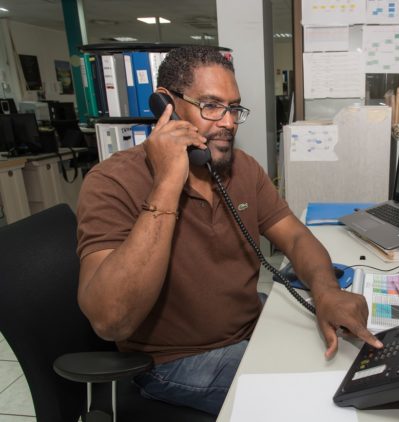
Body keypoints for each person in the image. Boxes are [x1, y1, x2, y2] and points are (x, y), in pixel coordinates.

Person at [76, 46, 382, 415]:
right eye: (211, 106)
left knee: (354, 359)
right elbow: (110, 320)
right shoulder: (112, 181)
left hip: (250, 326)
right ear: (164, 106)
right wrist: (168, 182)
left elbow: (296, 237)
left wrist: (327, 291)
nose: (228, 122)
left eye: (233, 108)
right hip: (176, 361)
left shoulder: (242, 170)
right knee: (320, 395)